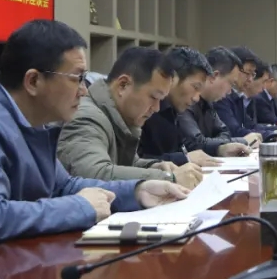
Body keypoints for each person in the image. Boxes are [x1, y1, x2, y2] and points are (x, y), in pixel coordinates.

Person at [0, 20, 189, 279]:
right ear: (34, 81)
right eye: (77, 78)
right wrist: (81, 207)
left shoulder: (33, 122)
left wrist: (137, 191)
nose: (84, 91)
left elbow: (64, 186)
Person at [57, 47, 204, 189]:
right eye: (154, 97)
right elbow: (94, 174)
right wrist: (168, 178)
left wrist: (155, 166)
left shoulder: (118, 117)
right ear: (123, 85)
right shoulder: (86, 118)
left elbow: (125, 165)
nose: (157, 108)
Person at [138, 46, 238, 164]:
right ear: (173, 78)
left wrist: (218, 149)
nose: (196, 98)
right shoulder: (147, 108)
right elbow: (133, 162)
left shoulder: (174, 110)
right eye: (195, 87)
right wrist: (184, 159)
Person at [177, 47, 252, 155]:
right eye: (231, 83)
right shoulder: (186, 100)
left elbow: (225, 132)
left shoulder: (208, 102)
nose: (230, 91)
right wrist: (241, 141)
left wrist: (216, 144)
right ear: (214, 76)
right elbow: (196, 143)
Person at [212, 46, 265, 144]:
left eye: (253, 74)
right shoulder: (219, 97)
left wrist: (274, 133)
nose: (250, 79)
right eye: (248, 73)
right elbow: (233, 131)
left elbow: (250, 126)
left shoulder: (238, 96)